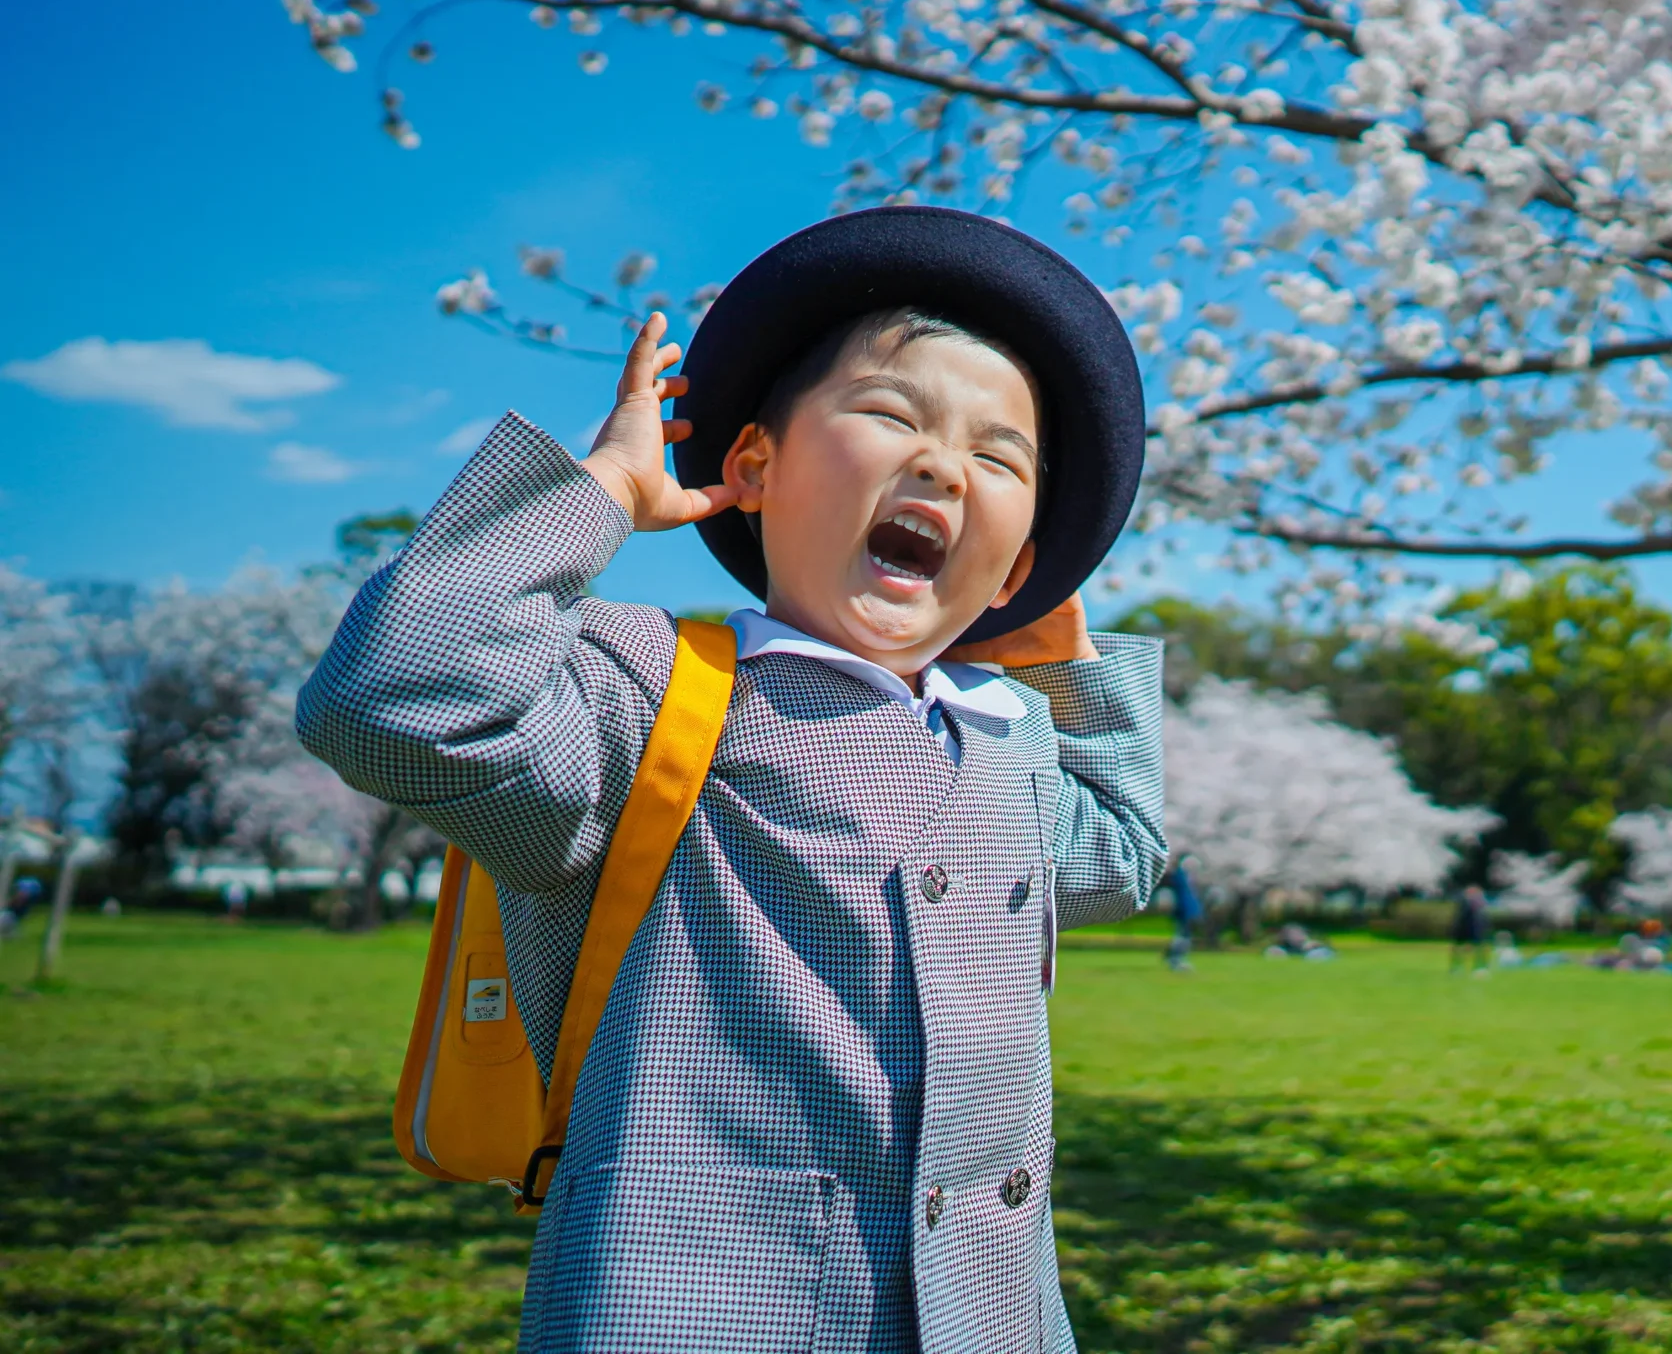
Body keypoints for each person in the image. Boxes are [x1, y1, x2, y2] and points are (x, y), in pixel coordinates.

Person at [299, 207, 1165, 1354]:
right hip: (690, 1305)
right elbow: (392, 700)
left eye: (998, 459)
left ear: (1017, 563)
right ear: (752, 465)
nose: (942, 463)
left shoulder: (1002, 739)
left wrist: (1057, 648)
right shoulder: (647, 693)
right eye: (890, 413)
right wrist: (599, 492)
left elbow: (1120, 853)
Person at [1163, 853, 1203, 972]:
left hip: (1186, 909)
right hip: (1184, 909)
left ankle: (1174, 956)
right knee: (1183, 935)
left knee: (1184, 934)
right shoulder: (1180, 876)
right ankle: (1175, 957)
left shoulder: (1183, 877)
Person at [1450, 883, 1493, 973]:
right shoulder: (1463, 902)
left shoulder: (1481, 903)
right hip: (1463, 927)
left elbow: (1484, 918)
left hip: (1477, 928)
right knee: (1458, 948)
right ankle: (1457, 968)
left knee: (1480, 948)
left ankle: (1481, 967)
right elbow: (1459, 916)